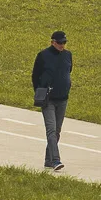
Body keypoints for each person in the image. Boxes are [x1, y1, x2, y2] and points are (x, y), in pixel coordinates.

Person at [32, 29, 72, 171]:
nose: (62, 45)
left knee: (57, 131)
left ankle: (48, 160)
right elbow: (35, 76)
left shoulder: (68, 55)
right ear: (53, 42)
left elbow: (68, 71)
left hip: (63, 98)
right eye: (60, 43)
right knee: (51, 130)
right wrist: (40, 92)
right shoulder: (43, 55)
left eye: (64, 43)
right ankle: (56, 160)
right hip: (48, 99)